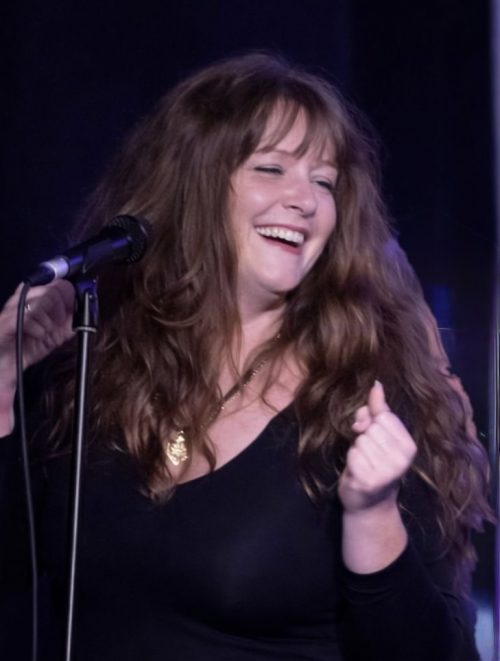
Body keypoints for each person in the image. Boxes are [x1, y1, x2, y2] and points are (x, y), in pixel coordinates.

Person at [0, 53, 494, 661]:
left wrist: (372, 514)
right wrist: (2, 380)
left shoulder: (368, 394)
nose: (305, 200)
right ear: (194, 185)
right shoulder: (99, 365)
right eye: (271, 168)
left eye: (324, 182)